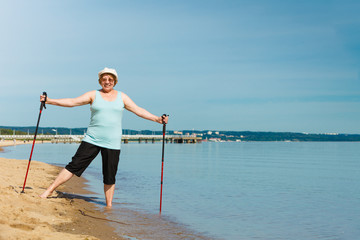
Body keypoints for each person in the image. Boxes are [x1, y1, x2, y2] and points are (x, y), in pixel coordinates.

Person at [39, 67, 169, 208]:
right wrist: (49, 100)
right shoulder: (93, 95)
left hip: (112, 143)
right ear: (100, 81)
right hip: (92, 139)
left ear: (115, 81)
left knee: (109, 176)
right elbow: (72, 102)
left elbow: (138, 110)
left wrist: (157, 119)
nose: (107, 82)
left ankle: (108, 206)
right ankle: (48, 191)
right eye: (104, 79)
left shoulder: (122, 97)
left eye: (110, 79)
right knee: (73, 166)